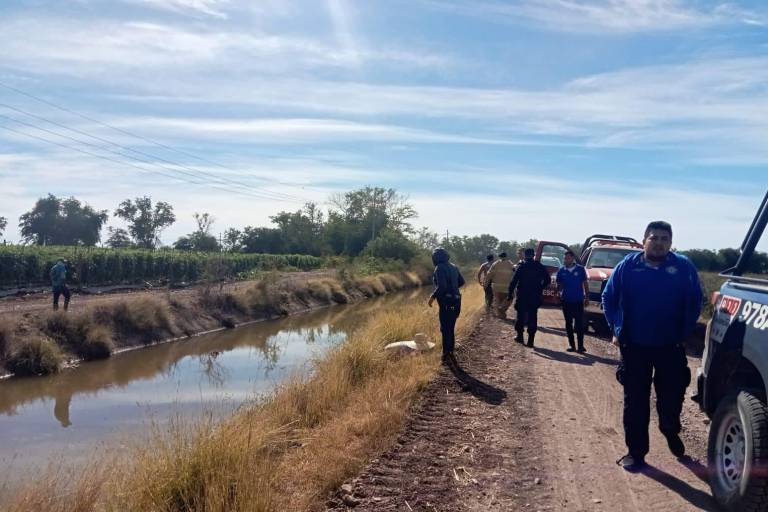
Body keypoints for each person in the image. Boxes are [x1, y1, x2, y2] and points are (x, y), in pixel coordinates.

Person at [602, 221, 702, 472]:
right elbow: (609, 298)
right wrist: (616, 329)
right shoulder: (628, 266)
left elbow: (695, 299)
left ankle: (669, 428)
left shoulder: (683, 267)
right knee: (635, 401)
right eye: (654, 237)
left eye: (664, 239)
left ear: (671, 243)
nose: (659, 243)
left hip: (671, 345)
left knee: (672, 396)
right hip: (634, 345)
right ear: (644, 240)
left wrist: (685, 331)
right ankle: (636, 453)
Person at [428, 247, 465, 364]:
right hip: (456, 302)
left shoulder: (439, 268)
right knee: (450, 327)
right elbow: (462, 282)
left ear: (435, 258)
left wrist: (432, 297)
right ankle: (450, 351)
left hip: (446, 304)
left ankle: (446, 355)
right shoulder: (453, 266)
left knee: (445, 328)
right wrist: (453, 290)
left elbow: (442, 287)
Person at [508, 248, 550, 347]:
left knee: (520, 316)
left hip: (522, 295)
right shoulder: (539, 266)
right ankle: (531, 340)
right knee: (533, 317)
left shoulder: (521, 266)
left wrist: (510, 294)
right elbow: (547, 279)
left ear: (525, 255)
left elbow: (514, 281)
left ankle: (520, 337)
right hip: (535, 295)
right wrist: (540, 287)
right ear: (534, 255)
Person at [556, 250, 590, 353]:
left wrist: (587, 297)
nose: (566, 260)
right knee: (568, 323)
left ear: (573, 259)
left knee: (579, 324)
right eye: (565, 258)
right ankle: (572, 345)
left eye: (568, 258)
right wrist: (558, 293)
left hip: (578, 301)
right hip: (566, 301)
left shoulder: (580, 269)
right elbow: (559, 285)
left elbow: (585, 284)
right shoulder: (561, 271)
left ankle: (580, 346)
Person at [484, 252, 515, 319]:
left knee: (498, 300)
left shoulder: (495, 264)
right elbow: (514, 273)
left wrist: (486, 284)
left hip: (496, 287)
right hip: (507, 287)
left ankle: (500, 314)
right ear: (506, 256)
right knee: (509, 299)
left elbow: (489, 275)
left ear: (499, 257)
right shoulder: (510, 264)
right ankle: (502, 310)